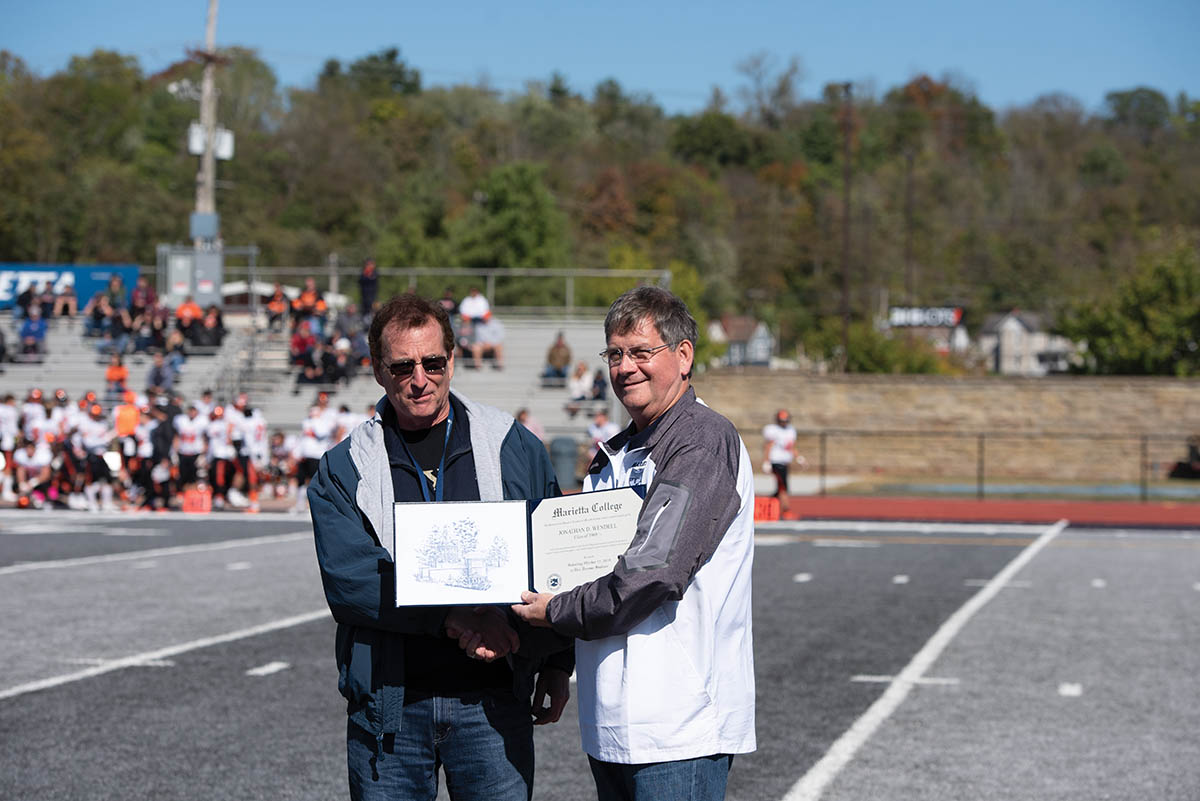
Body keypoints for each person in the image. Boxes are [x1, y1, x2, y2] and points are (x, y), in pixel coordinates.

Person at [307, 292, 573, 801]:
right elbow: (351, 583)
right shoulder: (345, 466)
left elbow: (555, 556)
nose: (420, 378)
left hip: (494, 703)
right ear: (378, 371)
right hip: (391, 708)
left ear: (452, 359)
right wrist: (456, 614)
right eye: (403, 366)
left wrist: (558, 662)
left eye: (432, 362)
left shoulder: (512, 444)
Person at [512, 286, 757, 801]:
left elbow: (653, 574)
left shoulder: (700, 440)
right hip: (611, 719)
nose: (625, 367)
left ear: (683, 355)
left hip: (677, 725)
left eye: (641, 352)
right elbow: (579, 568)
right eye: (615, 354)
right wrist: (557, 659)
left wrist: (556, 611)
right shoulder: (614, 453)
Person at [762, 408, 803, 516]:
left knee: (780, 489)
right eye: (781, 420)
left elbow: (791, 446)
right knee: (783, 488)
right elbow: (768, 446)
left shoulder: (791, 430)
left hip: (785, 462)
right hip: (776, 461)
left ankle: (766, 506)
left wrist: (798, 457)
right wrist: (766, 462)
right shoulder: (773, 430)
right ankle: (786, 510)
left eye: (785, 420)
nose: (783, 423)